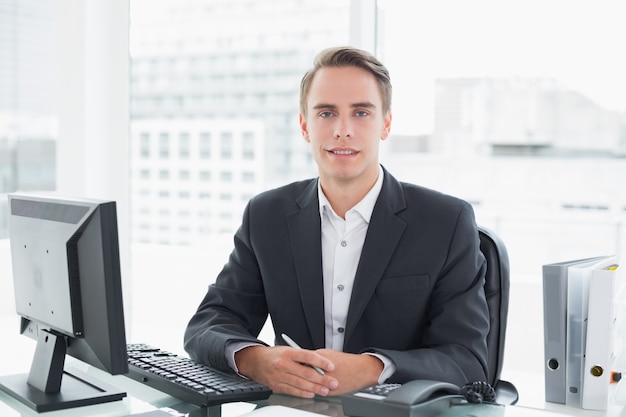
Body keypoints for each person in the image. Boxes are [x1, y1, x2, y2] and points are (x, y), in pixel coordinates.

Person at [184, 46, 490, 399]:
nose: (343, 130)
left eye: (361, 112)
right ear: (304, 126)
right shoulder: (266, 216)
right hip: (295, 410)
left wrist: (372, 369)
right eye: (326, 113)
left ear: (385, 124)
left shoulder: (445, 222)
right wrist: (257, 360)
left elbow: (467, 359)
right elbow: (208, 325)